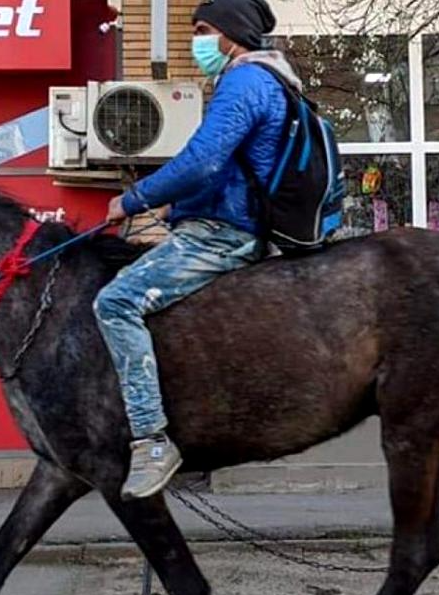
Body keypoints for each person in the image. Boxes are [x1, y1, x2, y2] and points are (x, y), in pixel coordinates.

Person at [93, 0, 306, 499]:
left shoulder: (245, 80)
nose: (199, 41)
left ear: (232, 35)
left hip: (222, 235)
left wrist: (133, 199)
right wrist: (171, 211)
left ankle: (150, 440)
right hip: (219, 221)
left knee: (117, 301)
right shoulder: (266, 79)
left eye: (205, 30)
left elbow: (204, 161)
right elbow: (233, 169)